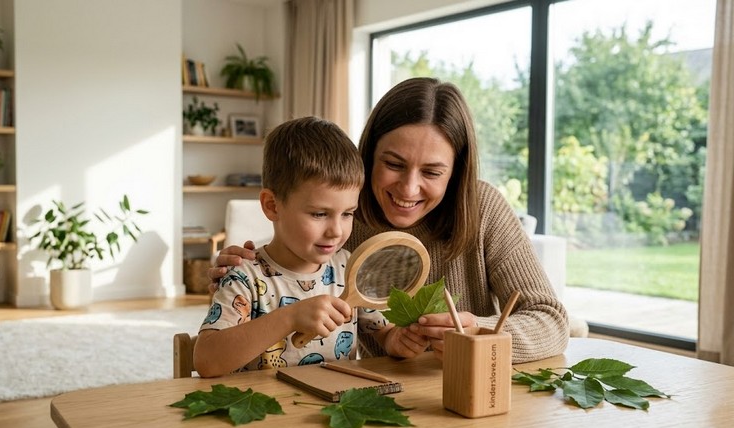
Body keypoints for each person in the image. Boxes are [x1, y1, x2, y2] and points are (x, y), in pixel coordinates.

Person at [210, 78, 570, 364]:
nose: (409, 188)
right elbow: (290, 259)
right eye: (394, 164)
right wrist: (238, 274)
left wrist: (479, 330)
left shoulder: (483, 207)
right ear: (368, 155)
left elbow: (551, 321)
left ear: (455, 174)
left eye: (431, 171)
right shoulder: (345, 217)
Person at [194, 116, 394, 377]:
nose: (336, 231)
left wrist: (401, 340)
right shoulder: (244, 276)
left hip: (333, 409)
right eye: (319, 214)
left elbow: (386, 334)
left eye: (347, 214)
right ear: (272, 206)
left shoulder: (349, 267)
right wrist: (289, 317)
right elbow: (207, 361)